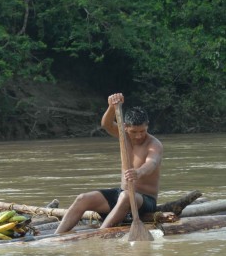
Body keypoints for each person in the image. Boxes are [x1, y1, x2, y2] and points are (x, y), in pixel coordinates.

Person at [54, 93, 163, 234]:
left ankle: (99, 235)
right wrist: (112, 107)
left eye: (142, 131)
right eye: (134, 131)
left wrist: (139, 172)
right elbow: (105, 124)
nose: (138, 136)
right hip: (122, 195)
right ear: (125, 127)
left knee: (126, 196)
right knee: (82, 198)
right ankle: (57, 235)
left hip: (144, 201)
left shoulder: (154, 144)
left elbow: (152, 163)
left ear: (147, 126)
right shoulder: (123, 136)